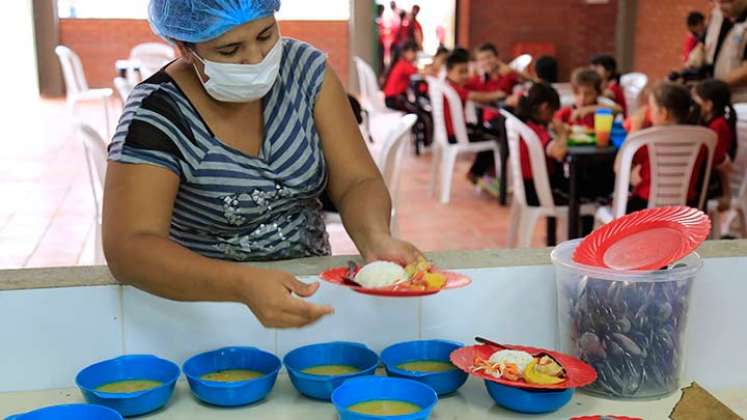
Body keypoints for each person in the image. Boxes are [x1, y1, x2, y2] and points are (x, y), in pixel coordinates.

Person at [104, 0, 421, 329]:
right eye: (229, 50)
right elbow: (129, 247)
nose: (255, 58)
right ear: (185, 47)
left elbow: (357, 180)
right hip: (204, 308)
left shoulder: (305, 72)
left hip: (306, 292)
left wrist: (375, 237)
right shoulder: (158, 113)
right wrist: (241, 284)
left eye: (266, 36)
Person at [627, 82, 699, 212]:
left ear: (664, 113)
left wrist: (634, 128)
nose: (649, 112)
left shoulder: (648, 140)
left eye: (651, 108)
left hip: (646, 207)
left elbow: (620, 167)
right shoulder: (701, 139)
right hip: (687, 209)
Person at [441, 48, 509, 181]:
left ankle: (482, 174)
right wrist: (500, 94)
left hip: (449, 132)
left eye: (466, 71)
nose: (465, 75)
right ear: (449, 71)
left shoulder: (446, 83)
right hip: (456, 134)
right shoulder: (454, 89)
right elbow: (477, 97)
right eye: (461, 72)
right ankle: (481, 175)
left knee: (488, 133)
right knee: (497, 138)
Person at [514, 83, 569, 206]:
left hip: (526, 186)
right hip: (539, 191)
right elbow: (559, 153)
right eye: (553, 112)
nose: (553, 117)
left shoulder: (523, 122)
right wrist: (562, 134)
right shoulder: (535, 130)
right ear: (545, 107)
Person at [693, 79, 738, 211]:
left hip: (713, 184)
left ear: (708, 105)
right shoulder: (708, 122)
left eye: (695, 100)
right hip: (707, 180)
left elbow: (722, 163)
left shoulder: (718, 126)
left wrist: (727, 194)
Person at [703, 0, 747, 102]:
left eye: (726, 1)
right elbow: (706, 44)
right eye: (717, 1)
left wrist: (712, 85)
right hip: (717, 98)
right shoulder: (717, 15)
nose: (720, 7)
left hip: (741, 102)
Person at [554, 68, 622, 128]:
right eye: (577, 93)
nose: (582, 98)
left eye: (588, 94)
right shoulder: (566, 112)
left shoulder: (601, 111)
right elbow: (552, 124)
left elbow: (618, 109)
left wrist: (589, 109)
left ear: (597, 93)